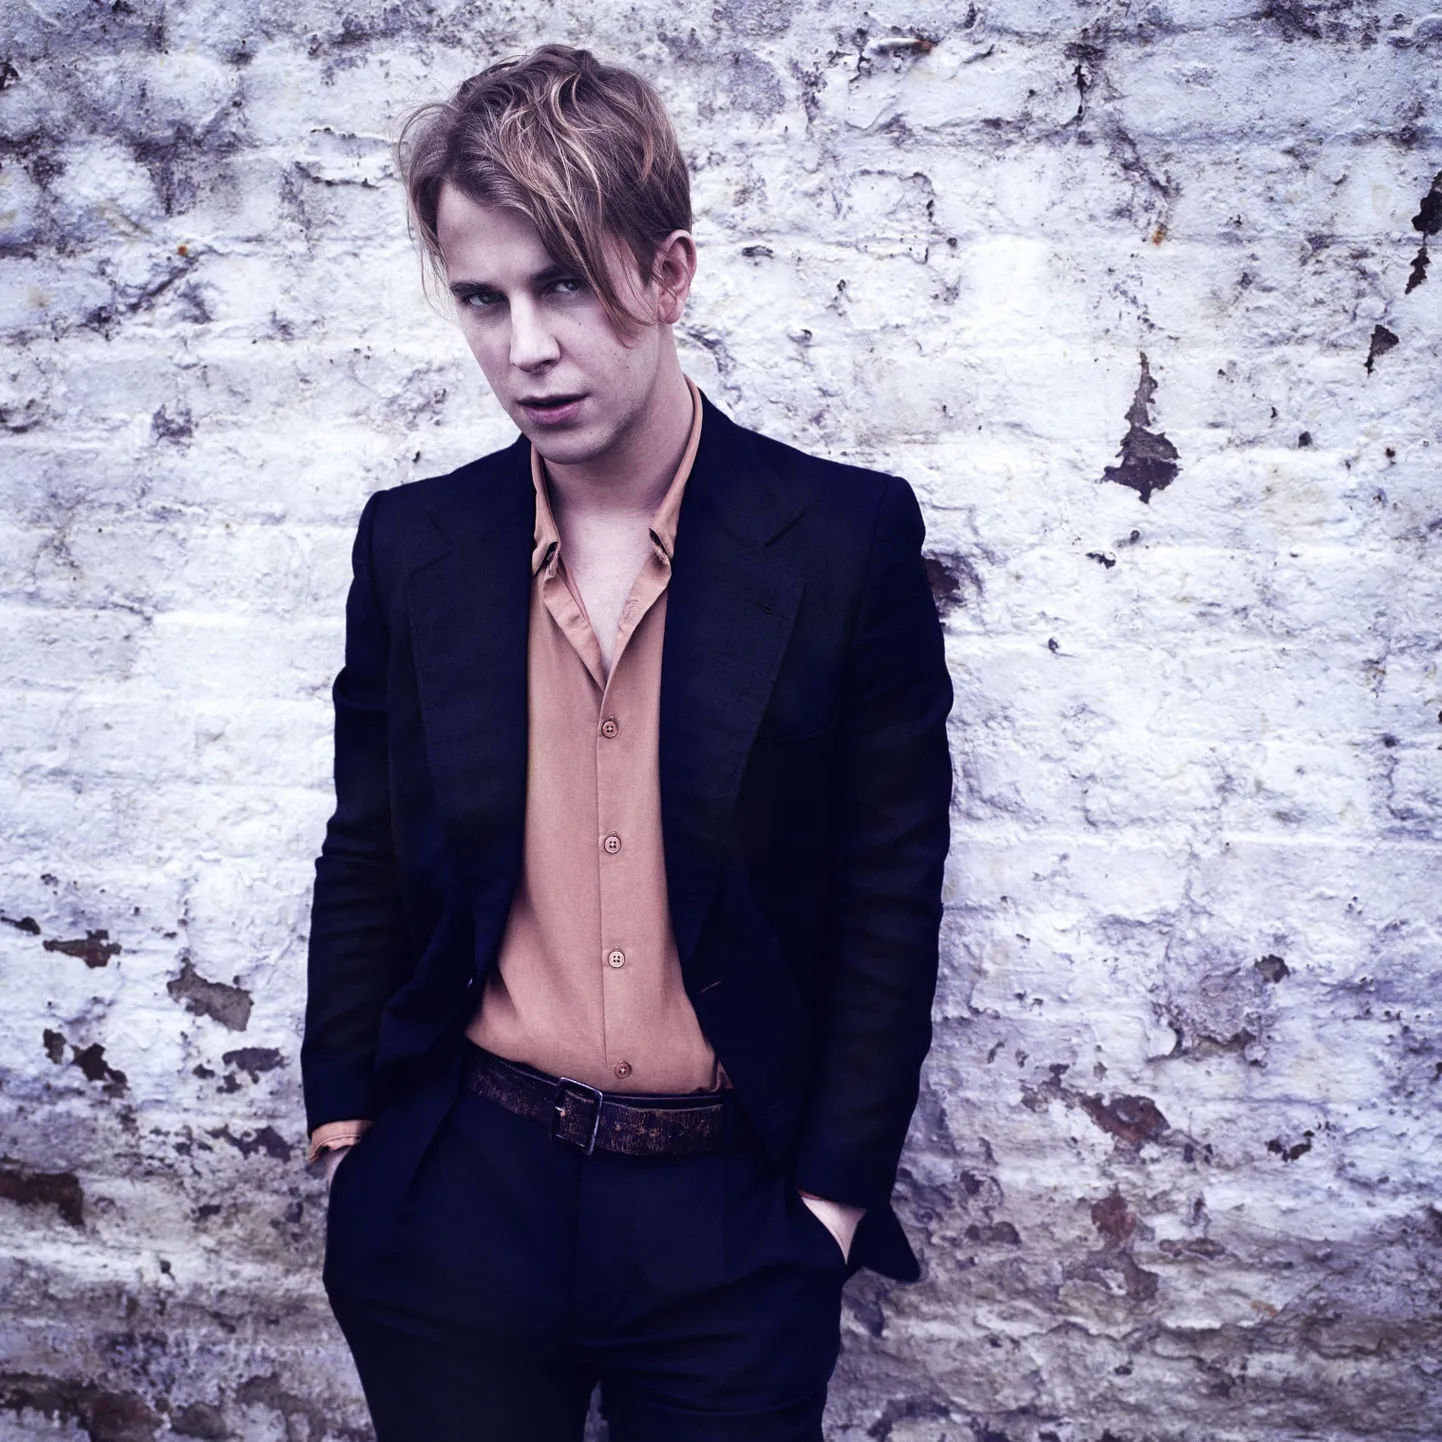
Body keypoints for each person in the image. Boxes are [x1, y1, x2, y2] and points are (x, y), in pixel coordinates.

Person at [302, 42, 953, 1442]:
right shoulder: (416, 544)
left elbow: (887, 891)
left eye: (563, 285)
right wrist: (349, 1129)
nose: (524, 347)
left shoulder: (841, 540)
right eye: (482, 299)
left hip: (727, 1215)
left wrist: (828, 1208)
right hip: (459, 1194)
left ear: (666, 275)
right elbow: (368, 843)